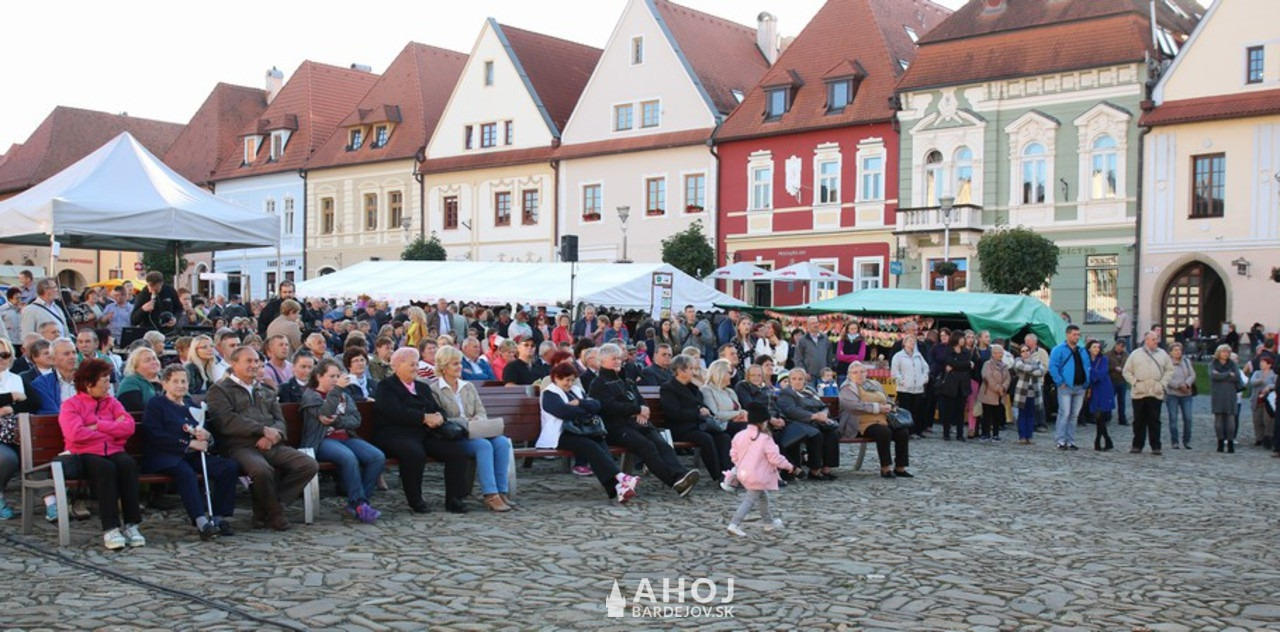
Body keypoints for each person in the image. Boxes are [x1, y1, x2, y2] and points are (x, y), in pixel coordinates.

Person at [206, 346, 318, 531]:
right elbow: (225, 421)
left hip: (271, 444)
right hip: (240, 446)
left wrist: (273, 436)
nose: (254, 365)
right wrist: (262, 430)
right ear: (234, 364)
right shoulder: (219, 390)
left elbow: (279, 420)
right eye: (248, 361)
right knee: (262, 470)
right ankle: (275, 514)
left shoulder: (265, 390)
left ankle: (268, 508)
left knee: (308, 464)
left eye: (256, 361)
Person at [141, 365, 239, 540]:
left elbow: (205, 430)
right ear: (165, 383)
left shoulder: (191, 405)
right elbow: (154, 434)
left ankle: (218, 516)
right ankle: (201, 521)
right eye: (175, 381)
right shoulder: (156, 404)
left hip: (193, 455)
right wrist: (188, 443)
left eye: (184, 381)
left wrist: (206, 436)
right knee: (185, 473)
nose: (180, 385)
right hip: (166, 456)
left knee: (228, 467)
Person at [589, 343, 700, 496]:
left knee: (662, 444)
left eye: (619, 358)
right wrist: (637, 409)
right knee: (648, 447)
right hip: (616, 428)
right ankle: (674, 482)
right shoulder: (598, 383)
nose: (618, 361)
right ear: (602, 361)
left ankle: (681, 475)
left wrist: (643, 409)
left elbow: (637, 397)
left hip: (637, 423)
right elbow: (609, 407)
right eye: (613, 359)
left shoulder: (625, 379)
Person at [58, 359, 146, 549]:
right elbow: (75, 434)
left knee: (127, 464)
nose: (109, 385)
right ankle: (110, 528)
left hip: (113, 450)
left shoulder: (112, 403)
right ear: (89, 383)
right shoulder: (71, 405)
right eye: (104, 381)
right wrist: (113, 430)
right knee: (105, 468)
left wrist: (98, 425)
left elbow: (129, 427)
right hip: (84, 453)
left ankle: (131, 524)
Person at [373, 347, 471, 513]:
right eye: (411, 364)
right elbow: (394, 412)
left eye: (417, 364)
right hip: (395, 434)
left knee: (456, 451)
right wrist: (423, 418)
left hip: (423, 433)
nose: (416, 368)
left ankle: (455, 499)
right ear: (397, 366)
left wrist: (439, 416)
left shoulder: (422, 387)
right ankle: (416, 500)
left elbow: (437, 408)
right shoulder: (386, 386)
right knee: (414, 453)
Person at [537, 362, 640, 502]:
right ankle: (621, 477)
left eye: (572, 380)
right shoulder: (549, 393)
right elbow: (563, 411)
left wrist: (580, 403)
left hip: (579, 431)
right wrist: (586, 410)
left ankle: (617, 487)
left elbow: (596, 405)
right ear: (556, 378)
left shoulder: (576, 391)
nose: (569, 384)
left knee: (599, 441)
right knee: (589, 446)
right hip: (559, 435)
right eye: (566, 380)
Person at [300, 359, 385, 523]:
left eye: (338, 376)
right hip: (322, 441)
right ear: (319, 376)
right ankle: (360, 504)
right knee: (348, 457)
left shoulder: (345, 396)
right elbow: (326, 412)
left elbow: (355, 420)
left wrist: (338, 421)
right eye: (332, 376)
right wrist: (337, 390)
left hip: (346, 437)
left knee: (377, 456)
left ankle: (359, 502)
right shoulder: (311, 396)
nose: (336, 380)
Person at [431, 346, 513, 512]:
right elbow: (442, 418)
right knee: (484, 446)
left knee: (502, 442)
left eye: (460, 363)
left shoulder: (468, 386)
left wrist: (478, 420)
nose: (460, 367)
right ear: (444, 367)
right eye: (455, 364)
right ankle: (490, 494)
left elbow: (480, 410)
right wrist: (465, 422)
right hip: (458, 435)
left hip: (477, 429)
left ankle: (501, 491)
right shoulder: (435, 389)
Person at [660, 354, 733, 478]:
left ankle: (728, 473)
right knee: (706, 439)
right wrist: (698, 413)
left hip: (698, 425)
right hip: (681, 428)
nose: (694, 372)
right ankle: (718, 475)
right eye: (691, 369)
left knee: (723, 437)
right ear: (680, 371)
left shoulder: (692, 387)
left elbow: (701, 404)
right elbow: (673, 413)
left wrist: (704, 410)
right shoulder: (668, 388)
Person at [839, 362, 912, 478]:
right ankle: (885, 468)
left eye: (862, 372)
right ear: (849, 375)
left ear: (866, 373)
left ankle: (900, 467)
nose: (859, 374)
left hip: (882, 419)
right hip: (861, 423)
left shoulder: (875, 384)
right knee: (883, 432)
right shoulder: (847, 388)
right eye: (855, 372)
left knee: (902, 432)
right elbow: (854, 406)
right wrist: (878, 408)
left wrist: (890, 406)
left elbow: (887, 399)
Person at [725, 414, 793, 537]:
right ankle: (734, 524)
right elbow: (774, 458)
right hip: (758, 475)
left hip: (744, 473)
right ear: (763, 422)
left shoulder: (739, 435)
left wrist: (741, 465)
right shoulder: (765, 438)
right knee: (750, 500)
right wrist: (789, 466)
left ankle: (768, 522)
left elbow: (733, 454)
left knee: (763, 497)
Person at [776, 368, 840, 480]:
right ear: (789, 381)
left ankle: (826, 467)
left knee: (832, 433)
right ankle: (814, 469)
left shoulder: (810, 391)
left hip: (817, 420)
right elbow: (791, 411)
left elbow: (822, 405)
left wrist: (824, 414)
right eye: (794, 379)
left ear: (805, 380)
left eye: (800, 379)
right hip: (798, 422)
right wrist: (814, 416)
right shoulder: (786, 393)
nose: (797, 381)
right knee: (816, 434)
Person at [1123, 331, 1175, 455]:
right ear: (1146, 340)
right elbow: (1126, 371)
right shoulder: (1135, 354)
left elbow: (1169, 370)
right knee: (1138, 420)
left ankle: (1156, 446)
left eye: (1157, 339)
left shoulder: (1163, 354)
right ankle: (1137, 445)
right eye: (1153, 339)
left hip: (1155, 391)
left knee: (1154, 420)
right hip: (1139, 392)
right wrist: (1135, 383)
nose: (1156, 341)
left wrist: (1162, 384)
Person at [0, 338, 32, 519]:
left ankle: (51, 500)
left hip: (16, 433)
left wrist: (10, 409)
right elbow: (20, 398)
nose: (0, 359)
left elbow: (31, 402)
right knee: (7, 458)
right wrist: (12, 396)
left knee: (37, 452)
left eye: (4, 355)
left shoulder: (16, 378)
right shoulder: (15, 386)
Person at [1049, 325, 1089, 451]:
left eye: (1078, 335)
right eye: (1074, 335)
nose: (1077, 337)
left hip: (1080, 387)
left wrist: (1087, 381)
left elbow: (1087, 365)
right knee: (1064, 414)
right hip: (1065, 387)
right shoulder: (1058, 350)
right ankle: (1060, 440)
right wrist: (1059, 381)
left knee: (1074, 415)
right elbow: (1053, 366)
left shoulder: (1082, 350)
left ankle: (1070, 441)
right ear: (1067, 335)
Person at [891, 334, 930, 438]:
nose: (912, 343)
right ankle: (906, 432)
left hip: (918, 388)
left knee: (917, 410)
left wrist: (924, 378)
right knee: (905, 411)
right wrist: (901, 381)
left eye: (913, 341)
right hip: (904, 389)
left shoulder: (918, 355)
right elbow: (895, 371)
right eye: (910, 341)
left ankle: (916, 431)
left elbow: (926, 368)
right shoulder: (898, 356)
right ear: (904, 343)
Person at [936, 331, 973, 442]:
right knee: (948, 410)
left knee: (960, 410)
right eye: (961, 338)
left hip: (963, 384)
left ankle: (960, 434)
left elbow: (967, 364)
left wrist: (959, 365)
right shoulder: (948, 350)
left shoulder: (966, 352)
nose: (962, 340)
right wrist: (963, 365)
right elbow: (949, 363)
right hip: (950, 384)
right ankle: (946, 433)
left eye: (963, 338)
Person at [702, 359, 750, 439]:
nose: (731, 376)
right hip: (721, 425)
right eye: (729, 373)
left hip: (736, 422)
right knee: (747, 429)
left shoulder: (730, 391)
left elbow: (738, 410)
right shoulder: (707, 390)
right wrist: (738, 413)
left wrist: (741, 414)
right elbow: (715, 414)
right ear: (720, 373)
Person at [1209, 344, 1243, 453]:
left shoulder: (1233, 364)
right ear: (1219, 353)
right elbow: (1213, 376)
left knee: (1230, 418)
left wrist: (1221, 375)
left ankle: (1230, 442)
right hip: (1218, 394)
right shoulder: (1213, 364)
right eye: (1223, 352)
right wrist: (1228, 374)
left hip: (1230, 394)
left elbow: (1237, 377)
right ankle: (1220, 442)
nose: (1226, 354)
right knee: (1218, 419)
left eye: (1228, 352)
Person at [31, 338, 80, 414]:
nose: (72, 357)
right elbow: (50, 412)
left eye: (74, 352)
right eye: (66, 354)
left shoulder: (89, 380)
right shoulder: (41, 384)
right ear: (53, 359)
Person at [1013, 343, 1046, 444]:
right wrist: (1034, 369)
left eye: (1027, 350)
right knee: (1022, 415)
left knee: (1031, 414)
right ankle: (1022, 436)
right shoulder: (1018, 361)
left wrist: (1031, 370)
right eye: (1023, 351)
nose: (1025, 353)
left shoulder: (1036, 361)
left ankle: (1030, 435)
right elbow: (1021, 367)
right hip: (1022, 391)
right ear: (1020, 353)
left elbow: (1041, 371)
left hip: (1034, 391)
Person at [1086, 340, 1115, 451]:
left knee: (1101, 415)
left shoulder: (1103, 359)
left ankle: (1099, 441)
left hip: (1104, 389)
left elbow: (1101, 374)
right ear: (1089, 348)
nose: (1096, 349)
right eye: (1094, 347)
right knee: (1098, 417)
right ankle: (1106, 440)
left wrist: (1090, 371)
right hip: (1093, 390)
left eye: (1098, 347)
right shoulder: (1087, 360)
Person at [1165, 343, 1196, 450]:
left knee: (1188, 418)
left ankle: (1187, 440)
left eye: (1179, 350)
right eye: (1175, 350)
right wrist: (1178, 386)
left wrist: (1186, 384)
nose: (1178, 352)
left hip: (1186, 394)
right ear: (1170, 352)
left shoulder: (1186, 361)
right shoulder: (1167, 363)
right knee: (1173, 418)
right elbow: (1166, 378)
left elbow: (1192, 375)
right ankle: (1175, 441)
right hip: (1172, 394)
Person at [978, 344, 1010, 442]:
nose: (1000, 355)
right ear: (993, 354)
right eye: (998, 353)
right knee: (987, 415)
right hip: (988, 393)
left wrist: (1003, 387)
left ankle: (996, 434)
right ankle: (985, 434)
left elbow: (1008, 378)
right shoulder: (987, 364)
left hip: (1000, 395)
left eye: (1001, 353)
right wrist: (997, 388)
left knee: (997, 415)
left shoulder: (1004, 366)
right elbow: (987, 377)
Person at [116, 347, 164, 412]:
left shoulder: (168, 379)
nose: (154, 362)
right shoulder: (130, 382)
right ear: (135, 366)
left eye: (155, 358)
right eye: (147, 360)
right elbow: (134, 409)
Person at [793, 317, 833, 387]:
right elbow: (798, 358)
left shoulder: (825, 339)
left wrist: (828, 369)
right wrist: (804, 372)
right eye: (813, 323)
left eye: (817, 322)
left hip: (823, 376)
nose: (816, 325)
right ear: (808, 325)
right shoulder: (802, 340)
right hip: (809, 377)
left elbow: (829, 356)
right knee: (810, 393)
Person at [1248, 355, 1275, 449]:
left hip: (1268, 400)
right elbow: (1252, 382)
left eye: (1263, 363)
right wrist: (1260, 380)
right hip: (1257, 399)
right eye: (1261, 362)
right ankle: (1259, 438)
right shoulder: (1257, 373)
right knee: (1257, 420)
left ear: (1269, 364)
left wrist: (1269, 387)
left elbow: (1275, 384)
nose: (1261, 364)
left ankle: (1269, 437)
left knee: (1268, 420)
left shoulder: (1273, 374)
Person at [1108, 338, 1130, 426]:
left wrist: (1123, 369)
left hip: (1122, 381)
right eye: (1120, 346)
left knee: (1122, 402)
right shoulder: (1108, 354)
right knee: (1109, 400)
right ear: (1116, 345)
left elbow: (1129, 366)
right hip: (1112, 381)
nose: (1121, 348)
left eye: (1123, 347)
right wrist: (1114, 368)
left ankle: (1122, 419)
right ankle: (1108, 417)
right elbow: (1105, 367)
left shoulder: (1126, 355)